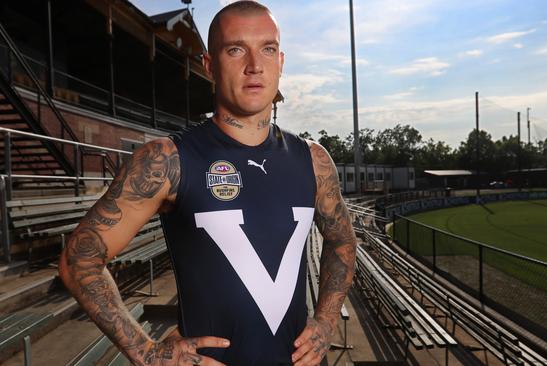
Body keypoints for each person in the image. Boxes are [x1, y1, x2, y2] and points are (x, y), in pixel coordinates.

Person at [58, 1, 357, 365]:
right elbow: (79, 258)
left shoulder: (313, 159)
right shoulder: (168, 160)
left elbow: (342, 241)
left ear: (281, 61)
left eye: (268, 49)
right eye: (235, 49)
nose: (254, 65)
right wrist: (148, 353)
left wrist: (325, 321)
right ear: (210, 65)